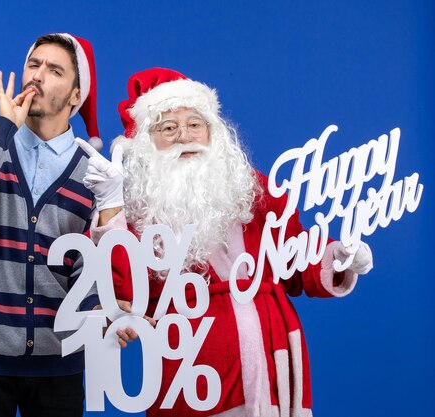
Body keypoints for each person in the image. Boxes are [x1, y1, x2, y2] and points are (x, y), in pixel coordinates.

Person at [78, 67, 374, 417]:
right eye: (168, 128)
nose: (184, 136)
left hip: (273, 364)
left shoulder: (252, 190)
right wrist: (111, 210)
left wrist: (338, 257)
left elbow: (295, 256)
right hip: (191, 373)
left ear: (212, 132)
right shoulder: (132, 209)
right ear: (145, 142)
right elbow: (118, 287)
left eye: (194, 124)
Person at [0, 33, 103, 417]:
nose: (38, 75)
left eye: (54, 70)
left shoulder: (95, 174)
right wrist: (2, 128)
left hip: (58, 365)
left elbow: (89, 267)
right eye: (34, 64)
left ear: (75, 97)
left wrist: (108, 313)